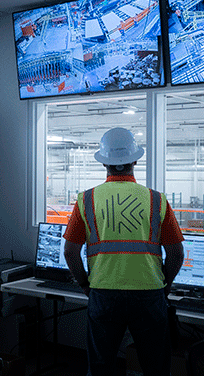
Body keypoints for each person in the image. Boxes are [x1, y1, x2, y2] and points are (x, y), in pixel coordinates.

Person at [63, 127, 184, 376]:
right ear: (135, 160)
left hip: (104, 294)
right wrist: (166, 285)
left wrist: (86, 285)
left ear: (104, 162)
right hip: (150, 294)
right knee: (156, 368)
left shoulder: (86, 200)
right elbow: (176, 253)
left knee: (100, 368)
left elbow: (70, 252)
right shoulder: (157, 200)